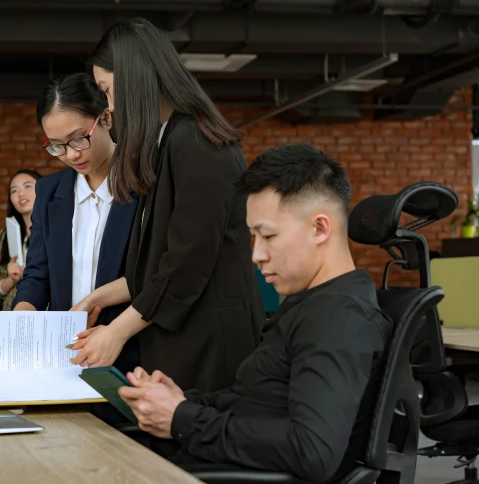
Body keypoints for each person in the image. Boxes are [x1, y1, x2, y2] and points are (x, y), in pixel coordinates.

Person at [117, 145, 394, 483]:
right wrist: (180, 401)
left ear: (320, 228)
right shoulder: (309, 304)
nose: (257, 255)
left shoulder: (338, 318)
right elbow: (254, 400)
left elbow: (313, 450)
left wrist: (182, 418)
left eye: (268, 236)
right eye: (252, 238)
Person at [69, 17, 264, 393]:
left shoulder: (198, 141)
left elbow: (185, 265)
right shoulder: (168, 141)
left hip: (210, 347)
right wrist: (99, 297)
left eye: (107, 90)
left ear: (135, 77)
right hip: (182, 341)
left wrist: (117, 332)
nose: (107, 107)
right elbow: (158, 263)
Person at [13, 72, 140, 378]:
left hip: (129, 355)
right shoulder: (50, 191)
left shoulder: (145, 183)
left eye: (79, 138)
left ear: (106, 119)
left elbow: (153, 275)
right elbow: (38, 272)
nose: (70, 154)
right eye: (56, 146)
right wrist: (22, 315)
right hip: (64, 359)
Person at [0, 170, 42, 310]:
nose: (21, 194)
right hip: (12, 313)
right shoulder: (8, 233)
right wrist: (12, 279)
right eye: (14, 191)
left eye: (28, 186)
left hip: (47, 315)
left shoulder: (59, 231)